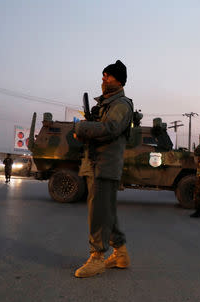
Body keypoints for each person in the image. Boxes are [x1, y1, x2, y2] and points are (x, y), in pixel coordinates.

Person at [73, 60, 133, 278]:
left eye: (107, 75)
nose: (103, 79)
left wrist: (81, 127)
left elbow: (111, 128)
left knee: (98, 212)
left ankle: (97, 257)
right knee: (106, 211)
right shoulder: (106, 103)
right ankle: (120, 253)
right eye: (103, 75)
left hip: (105, 165)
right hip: (95, 162)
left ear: (118, 79)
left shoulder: (122, 105)